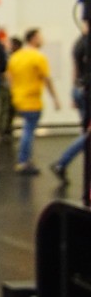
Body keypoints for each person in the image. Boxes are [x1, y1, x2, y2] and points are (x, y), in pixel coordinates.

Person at [6, 28, 61, 175]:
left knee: (27, 128)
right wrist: (55, 98)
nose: (42, 39)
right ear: (33, 39)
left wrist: (15, 91)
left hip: (19, 98)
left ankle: (24, 160)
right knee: (28, 130)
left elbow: (9, 77)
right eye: (40, 37)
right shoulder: (38, 57)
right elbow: (46, 79)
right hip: (32, 99)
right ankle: (23, 161)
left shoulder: (16, 57)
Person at [51, 21, 89, 182]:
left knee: (86, 133)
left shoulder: (78, 43)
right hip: (86, 91)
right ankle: (61, 163)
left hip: (80, 89)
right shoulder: (85, 44)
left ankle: (62, 163)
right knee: (88, 135)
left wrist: (74, 93)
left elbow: (75, 69)